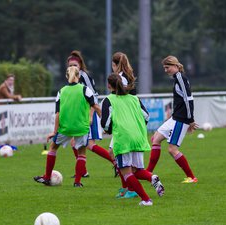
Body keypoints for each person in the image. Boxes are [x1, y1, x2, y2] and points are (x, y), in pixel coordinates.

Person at [101, 73, 163, 206]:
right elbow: (146, 116)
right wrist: (137, 127)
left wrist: (109, 130)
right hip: (138, 137)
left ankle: (146, 200)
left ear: (109, 85)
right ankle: (152, 177)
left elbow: (105, 123)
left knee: (126, 172)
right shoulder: (134, 98)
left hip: (123, 138)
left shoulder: (108, 100)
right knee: (135, 170)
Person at [34, 66, 101, 187]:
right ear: (78, 76)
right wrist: (105, 123)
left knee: (53, 148)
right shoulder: (85, 89)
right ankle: (77, 182)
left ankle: (47, 177)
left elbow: (58, 114)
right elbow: (96, 107)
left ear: (66, 76)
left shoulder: (61, 91)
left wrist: (54, 132)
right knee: (81, 153)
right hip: (81, 127)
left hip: (65, 127)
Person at [146, 55, 199, 183]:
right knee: (156, 138)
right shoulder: (177, 78)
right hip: (175, 118)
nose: (166, 70)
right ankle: (148, 173)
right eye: (164, 68)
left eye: (167, 67)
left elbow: (188, 99)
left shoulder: (180, 77)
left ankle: (192, 177)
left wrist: (190, 120)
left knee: (172, 149)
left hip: (181, 119)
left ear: (175, 66)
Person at [67, 50, 116, 177]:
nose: (72, 68)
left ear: (80, 66)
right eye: (70, 65)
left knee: (89, 144)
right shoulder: (72, 77)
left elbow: (93, 95)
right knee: (76, 143)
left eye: (75, 65)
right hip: (79, 115)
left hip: (88, 114)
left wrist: (90, 115)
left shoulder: (84, 76)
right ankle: (83, 171)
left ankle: (115, 162)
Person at [110, 51, 150, 198]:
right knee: (125, 161)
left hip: (125, 121)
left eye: (112, 65)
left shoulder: (121, 78)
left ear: (115, 65)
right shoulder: (128, 74)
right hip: (133, 118)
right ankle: (127, 187)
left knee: (118, 156)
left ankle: (130, 189)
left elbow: (122, 98)